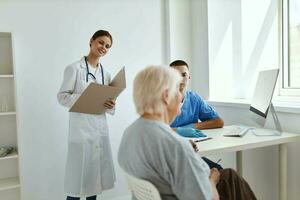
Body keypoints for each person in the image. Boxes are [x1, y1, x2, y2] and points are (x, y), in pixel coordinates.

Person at [118, 66, 257, 200]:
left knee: (228, 176)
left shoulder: (130, 132)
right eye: (178, 90)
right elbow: (209, 198)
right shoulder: (175, 146)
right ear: (166, 96)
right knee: (230, 177)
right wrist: (212, 180)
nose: (181, 96)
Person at [58, 30, 116, 200]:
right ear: (91, 41)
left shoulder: (106, 74)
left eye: (107, 46)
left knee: (94, 183)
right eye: (100, 42)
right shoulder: (74, 68)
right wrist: (87, 97)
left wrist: (110, 104)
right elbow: (62, 97)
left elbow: (107, 105)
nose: (103, 47)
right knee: (76, 184)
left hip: (99, 132)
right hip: (81, 134)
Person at [170, 59, 224, 170]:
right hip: (170, 155)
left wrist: (194, 126)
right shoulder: (161, 100)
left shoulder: (194, 98)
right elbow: (155, 130)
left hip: (191, 152)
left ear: (189, 77)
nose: (180, 79)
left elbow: (219, 121)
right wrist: (179, 130)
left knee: (219, 170)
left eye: (184, 74)